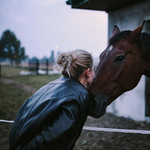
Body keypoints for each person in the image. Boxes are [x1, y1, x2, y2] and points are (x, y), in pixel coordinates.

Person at [9, 49, 107, 150]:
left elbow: (22, 116)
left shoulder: (52, 85)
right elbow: (51, 140)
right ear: (87, 72)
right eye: (93, 69)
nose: (94, 74)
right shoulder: (77, 97)